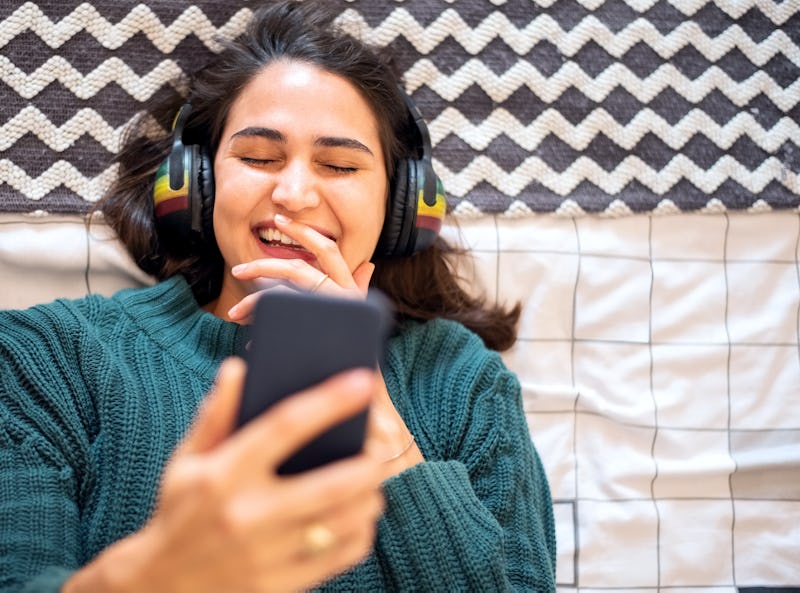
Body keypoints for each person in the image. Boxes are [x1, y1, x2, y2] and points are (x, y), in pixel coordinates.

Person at [0, 1, 557, 591]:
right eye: (259, 157)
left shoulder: (463, 379)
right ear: (195, 185)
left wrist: (381, 429)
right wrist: (163, 569)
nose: (293, 193)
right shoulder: (47, 358)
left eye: (340, 166)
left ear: (400, 209)